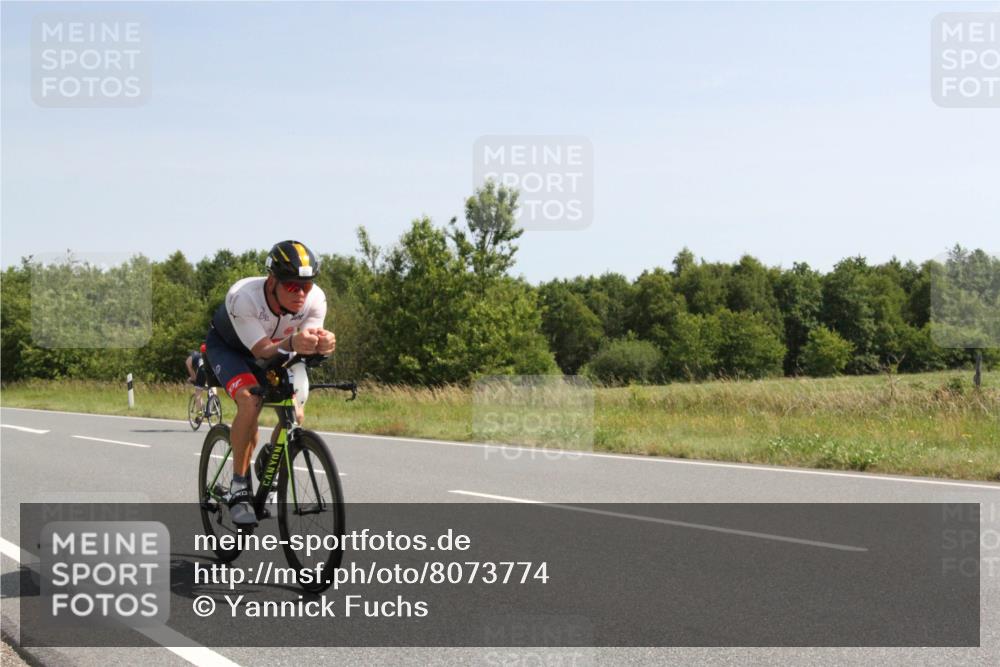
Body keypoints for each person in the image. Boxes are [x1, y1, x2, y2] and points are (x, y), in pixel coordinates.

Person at [204, 240, 335, 526]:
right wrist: (293, 342)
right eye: (292, 287)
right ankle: (239, 485)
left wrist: (323, 345)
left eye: (307, 286)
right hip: (232, 350)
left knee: (295, 412)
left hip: (278, 348)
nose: (301, 294)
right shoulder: (244, 297)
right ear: (272, 281)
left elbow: (303, 345)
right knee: (250, 401)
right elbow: (262, 351)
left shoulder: (315, 299)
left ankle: (271, 467)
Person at [185, 344, 208, 412]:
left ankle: (199, 414)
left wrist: (191, 379)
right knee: (211, 387)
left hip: (202, 370)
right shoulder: (210, 356)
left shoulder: (191, 358)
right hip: (211, 370)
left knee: (198, 393)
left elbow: (194, 376)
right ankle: (214, 402)